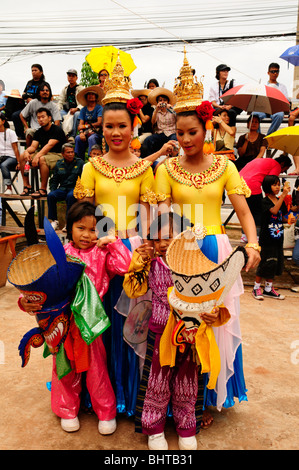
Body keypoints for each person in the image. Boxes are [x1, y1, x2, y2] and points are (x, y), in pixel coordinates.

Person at [155, 52, 261, 416]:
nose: (185, 139)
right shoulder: (166, 168)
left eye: (192, 132)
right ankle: (183, 398)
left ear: (206, 129)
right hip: (178, 252)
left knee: (216, 319)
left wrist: (253, 243)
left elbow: (244, 211)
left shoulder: (224, 165)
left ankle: (213, 393)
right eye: (180, 133)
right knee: (180, 322)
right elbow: (158, 216)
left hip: (216, 249)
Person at [73, 55, 155, 416]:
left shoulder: (142, 168)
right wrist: (97, 243)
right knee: (100, 321)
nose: (116, 132)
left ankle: (131, 394)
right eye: (109, 126)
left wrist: (148, 250)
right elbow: (85, 214)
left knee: (133, 323)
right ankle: (102, 395)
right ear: (100, 128)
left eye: (122, 125)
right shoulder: (92, 167)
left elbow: (150, 215)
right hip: (100, 250)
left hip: (134, 250)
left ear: (133, 127)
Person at [19, 200, 133, 434]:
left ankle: (106, 411)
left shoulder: (102, 253)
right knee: (64, 367)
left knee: (97, 368)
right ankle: (67, 409)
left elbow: (125, 265)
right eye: (81, 228)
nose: (87, 234)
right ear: (69, 228)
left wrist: (112, 241)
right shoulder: (60, 254)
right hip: (62, 321)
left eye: (93, 229)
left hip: (91, 321)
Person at [123, 212, 226, 450]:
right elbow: (133, 290)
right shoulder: (151, 264)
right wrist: (138, 263)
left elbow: (214, 299)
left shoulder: (198, 265)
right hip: (160, 333)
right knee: (156, 382)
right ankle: (154, 430)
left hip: (192, 335)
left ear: (186, 237)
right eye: (157, 239)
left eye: (169, 237)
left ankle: (187, 427)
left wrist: (214, 315)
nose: (163, 244)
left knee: (187, 382)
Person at [252, 176, 295, 300]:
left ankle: (268, 289)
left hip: (278, 238)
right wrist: (283, 196)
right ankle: (256, 288)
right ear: (267, 186)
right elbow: (274, 211)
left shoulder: (278, 200)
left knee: (274, 263)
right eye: (274, 185)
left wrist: (289, 220)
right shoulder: (265, 201)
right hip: (267, 239)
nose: (278, 187)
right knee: (265, 262)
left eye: (278, 184)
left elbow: (280, 217)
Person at [240, 154, 292, 236]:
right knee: (258, 212)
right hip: (252, 185)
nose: (282, 172)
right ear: (282, 164)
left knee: (247, 212)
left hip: (238, 183)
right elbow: (270, 182)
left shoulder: (266, 161)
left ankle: (244, 235)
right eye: (284, 170)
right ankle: (256, 236)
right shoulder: (277, 166)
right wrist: (269, 200)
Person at [18, 107, 66, 198]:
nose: (41, 119)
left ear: (49, 118)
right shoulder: (39, 132)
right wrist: (26, 152)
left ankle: (43, 189)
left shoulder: (57, 130)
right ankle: (27, 186)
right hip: (44, 153)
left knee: (42, 159)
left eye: (43, 117)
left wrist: (37, 157)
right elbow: (33, 147)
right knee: (22, 156)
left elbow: (49, 145)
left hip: (58, 155)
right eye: (39, 117)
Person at [47, 143, 84, 230]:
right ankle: (54, 221)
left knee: (70, 196)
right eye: (68, 152)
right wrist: (53, 190)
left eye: (72, 152)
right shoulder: (59, 164)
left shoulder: (80, 163)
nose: (71, 154)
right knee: (51, 195)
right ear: (63, 154)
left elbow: (84, 179)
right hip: (63, 188)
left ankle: (68, 223)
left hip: (74, 188)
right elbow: (54, 179)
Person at [20, 82, 61, 147]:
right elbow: (22, 115)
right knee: (29, 132)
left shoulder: (54, 105)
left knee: (64, 133)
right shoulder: (33, 103)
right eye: (42, 90)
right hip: (35, 129)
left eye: (47, 90)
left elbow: (57, 121)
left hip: (49, 129)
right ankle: (29, 153)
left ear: (50, 92)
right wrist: (26, 127)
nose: (45, 92)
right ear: (39, 93)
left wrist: (54, 131)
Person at [253, 63, 289, 135]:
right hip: (263, 109)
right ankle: (258, 137)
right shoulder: (262, 85)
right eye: (272, 71)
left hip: (276, 110)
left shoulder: (282, 87)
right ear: (268, 73)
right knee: (255, 115)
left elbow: (286, 101)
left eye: (277, 71)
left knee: (280, 115)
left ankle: (268, 137)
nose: (275, 73)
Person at [12, 64, 46, 139]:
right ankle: (21, 136)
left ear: (41, 72)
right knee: (15, 115)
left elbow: (44, 97)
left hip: (38, 109)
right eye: (32, 70)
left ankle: (35, 137)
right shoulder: (29, 83)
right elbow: (23, 94)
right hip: (27, 107)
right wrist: (28, 97)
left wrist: (32, 99)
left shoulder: (44, 84)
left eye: (35, 70)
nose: (33, 72)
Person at [142, 87, 177, 158]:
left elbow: (178, 118)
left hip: (172, 133)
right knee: (148, 140)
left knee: (174, 141)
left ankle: (173, 159)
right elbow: (153, 122)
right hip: (160, 134)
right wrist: (156, 109)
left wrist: (171, 108)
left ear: (168, 102)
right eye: (160, 100)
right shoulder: (157, 112)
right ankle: (148, 160)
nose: (162, 102)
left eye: (164, 100)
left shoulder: (171, 110)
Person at [74, 86, 104, 161]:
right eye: (89, 94)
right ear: (86, 97)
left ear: (96, 97)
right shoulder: (83, 110)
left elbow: (99, 123)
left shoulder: (99, 108)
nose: (91, 96)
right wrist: (81, 133)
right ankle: (79, 161)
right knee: (78, 138)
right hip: (86, 132)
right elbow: (79, 126)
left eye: (93, 94)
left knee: (92, 138)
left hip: (97, 132)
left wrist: (85, 127)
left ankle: (92, 160)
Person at [57, 69, 84, 140]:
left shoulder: (80, 88)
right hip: (67, 110)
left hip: (77, 110)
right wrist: (58, 109)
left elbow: (84, 102)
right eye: (69, 76)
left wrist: (77, 108)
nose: (71, 78)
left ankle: (72, 136)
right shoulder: (65, 89)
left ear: (76, 78)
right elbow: (61, 100)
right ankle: (62, 135)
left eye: (73, 76)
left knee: (77, 114)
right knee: (58, 115)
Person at [0, 112, 20, 195]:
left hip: (11, 157)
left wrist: (19, 162)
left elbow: (15, 148)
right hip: (1, 156)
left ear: (3, 121)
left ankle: (9, 188)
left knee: (4, 165)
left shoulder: (10, 132)